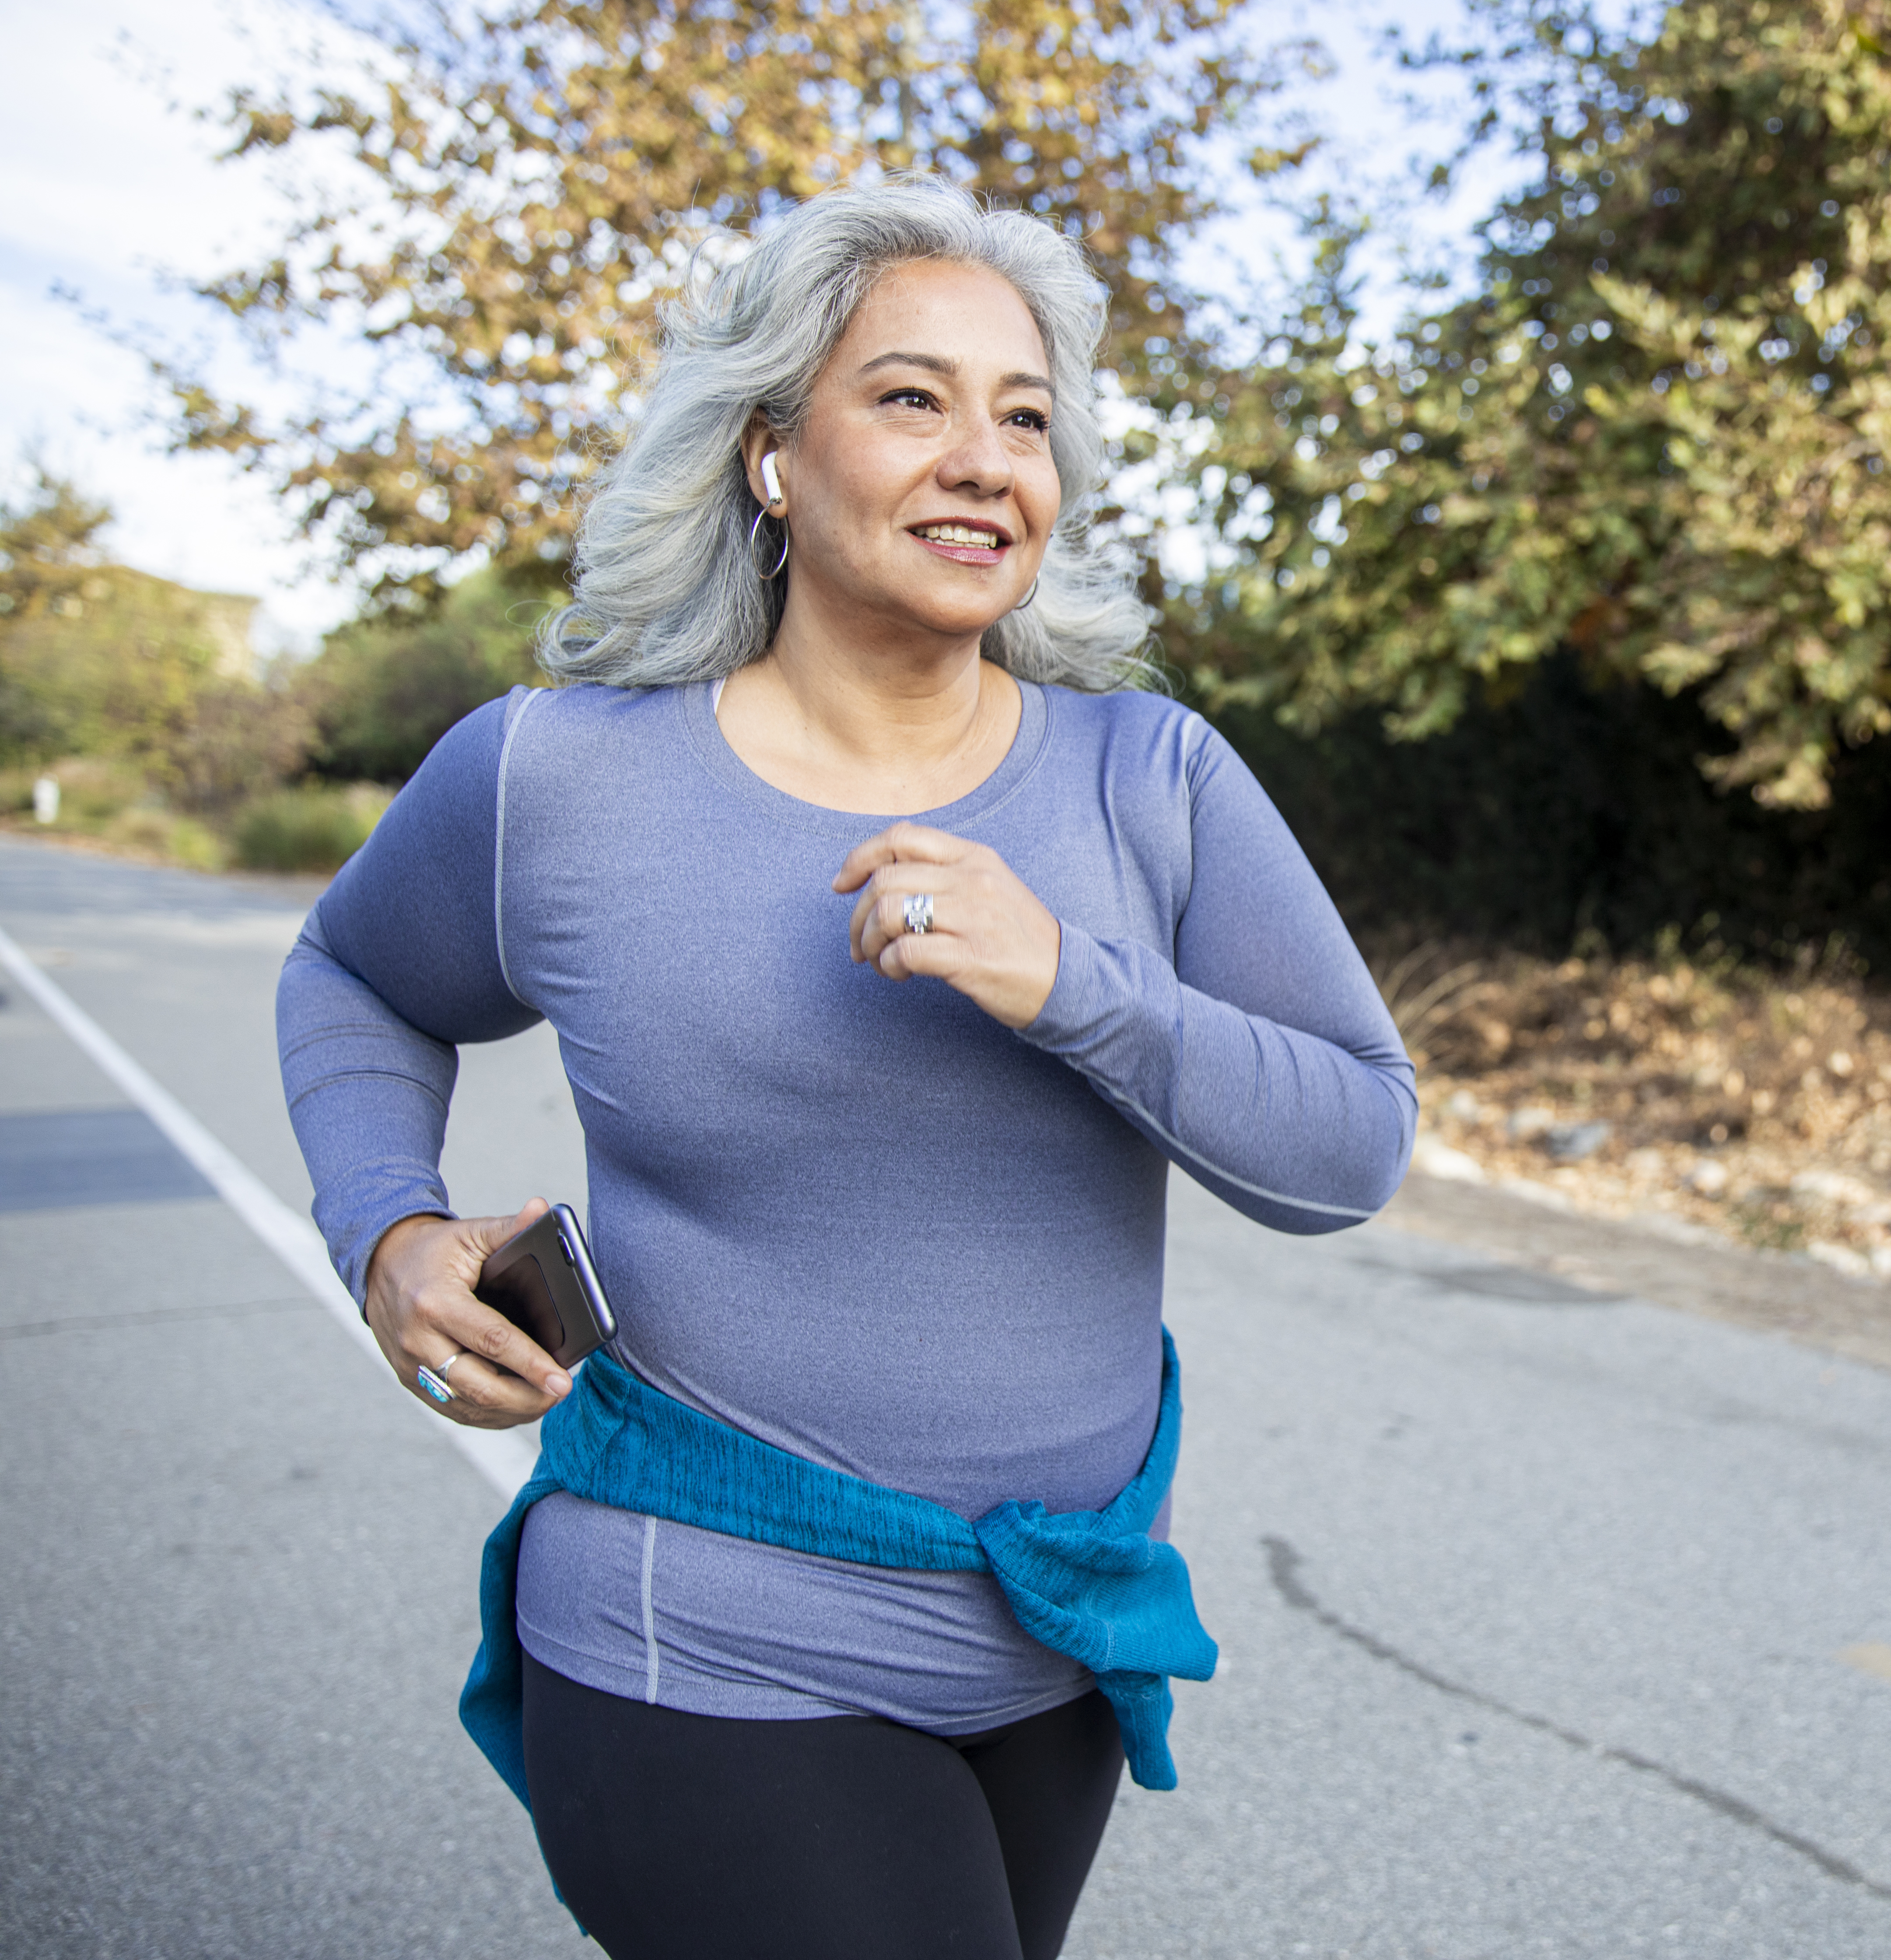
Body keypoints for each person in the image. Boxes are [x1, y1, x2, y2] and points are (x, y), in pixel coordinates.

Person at [277, 178, 1416, 1960]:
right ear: (766, 455)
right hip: (702, 1630)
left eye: (1025, 417)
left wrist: (1076, 987)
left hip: (1056, 1647)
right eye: (911, 397)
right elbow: (354, 969)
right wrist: (388, 1228)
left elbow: (1353, 1144)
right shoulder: (558, 780)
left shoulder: (1155, 780)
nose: (986, 458)